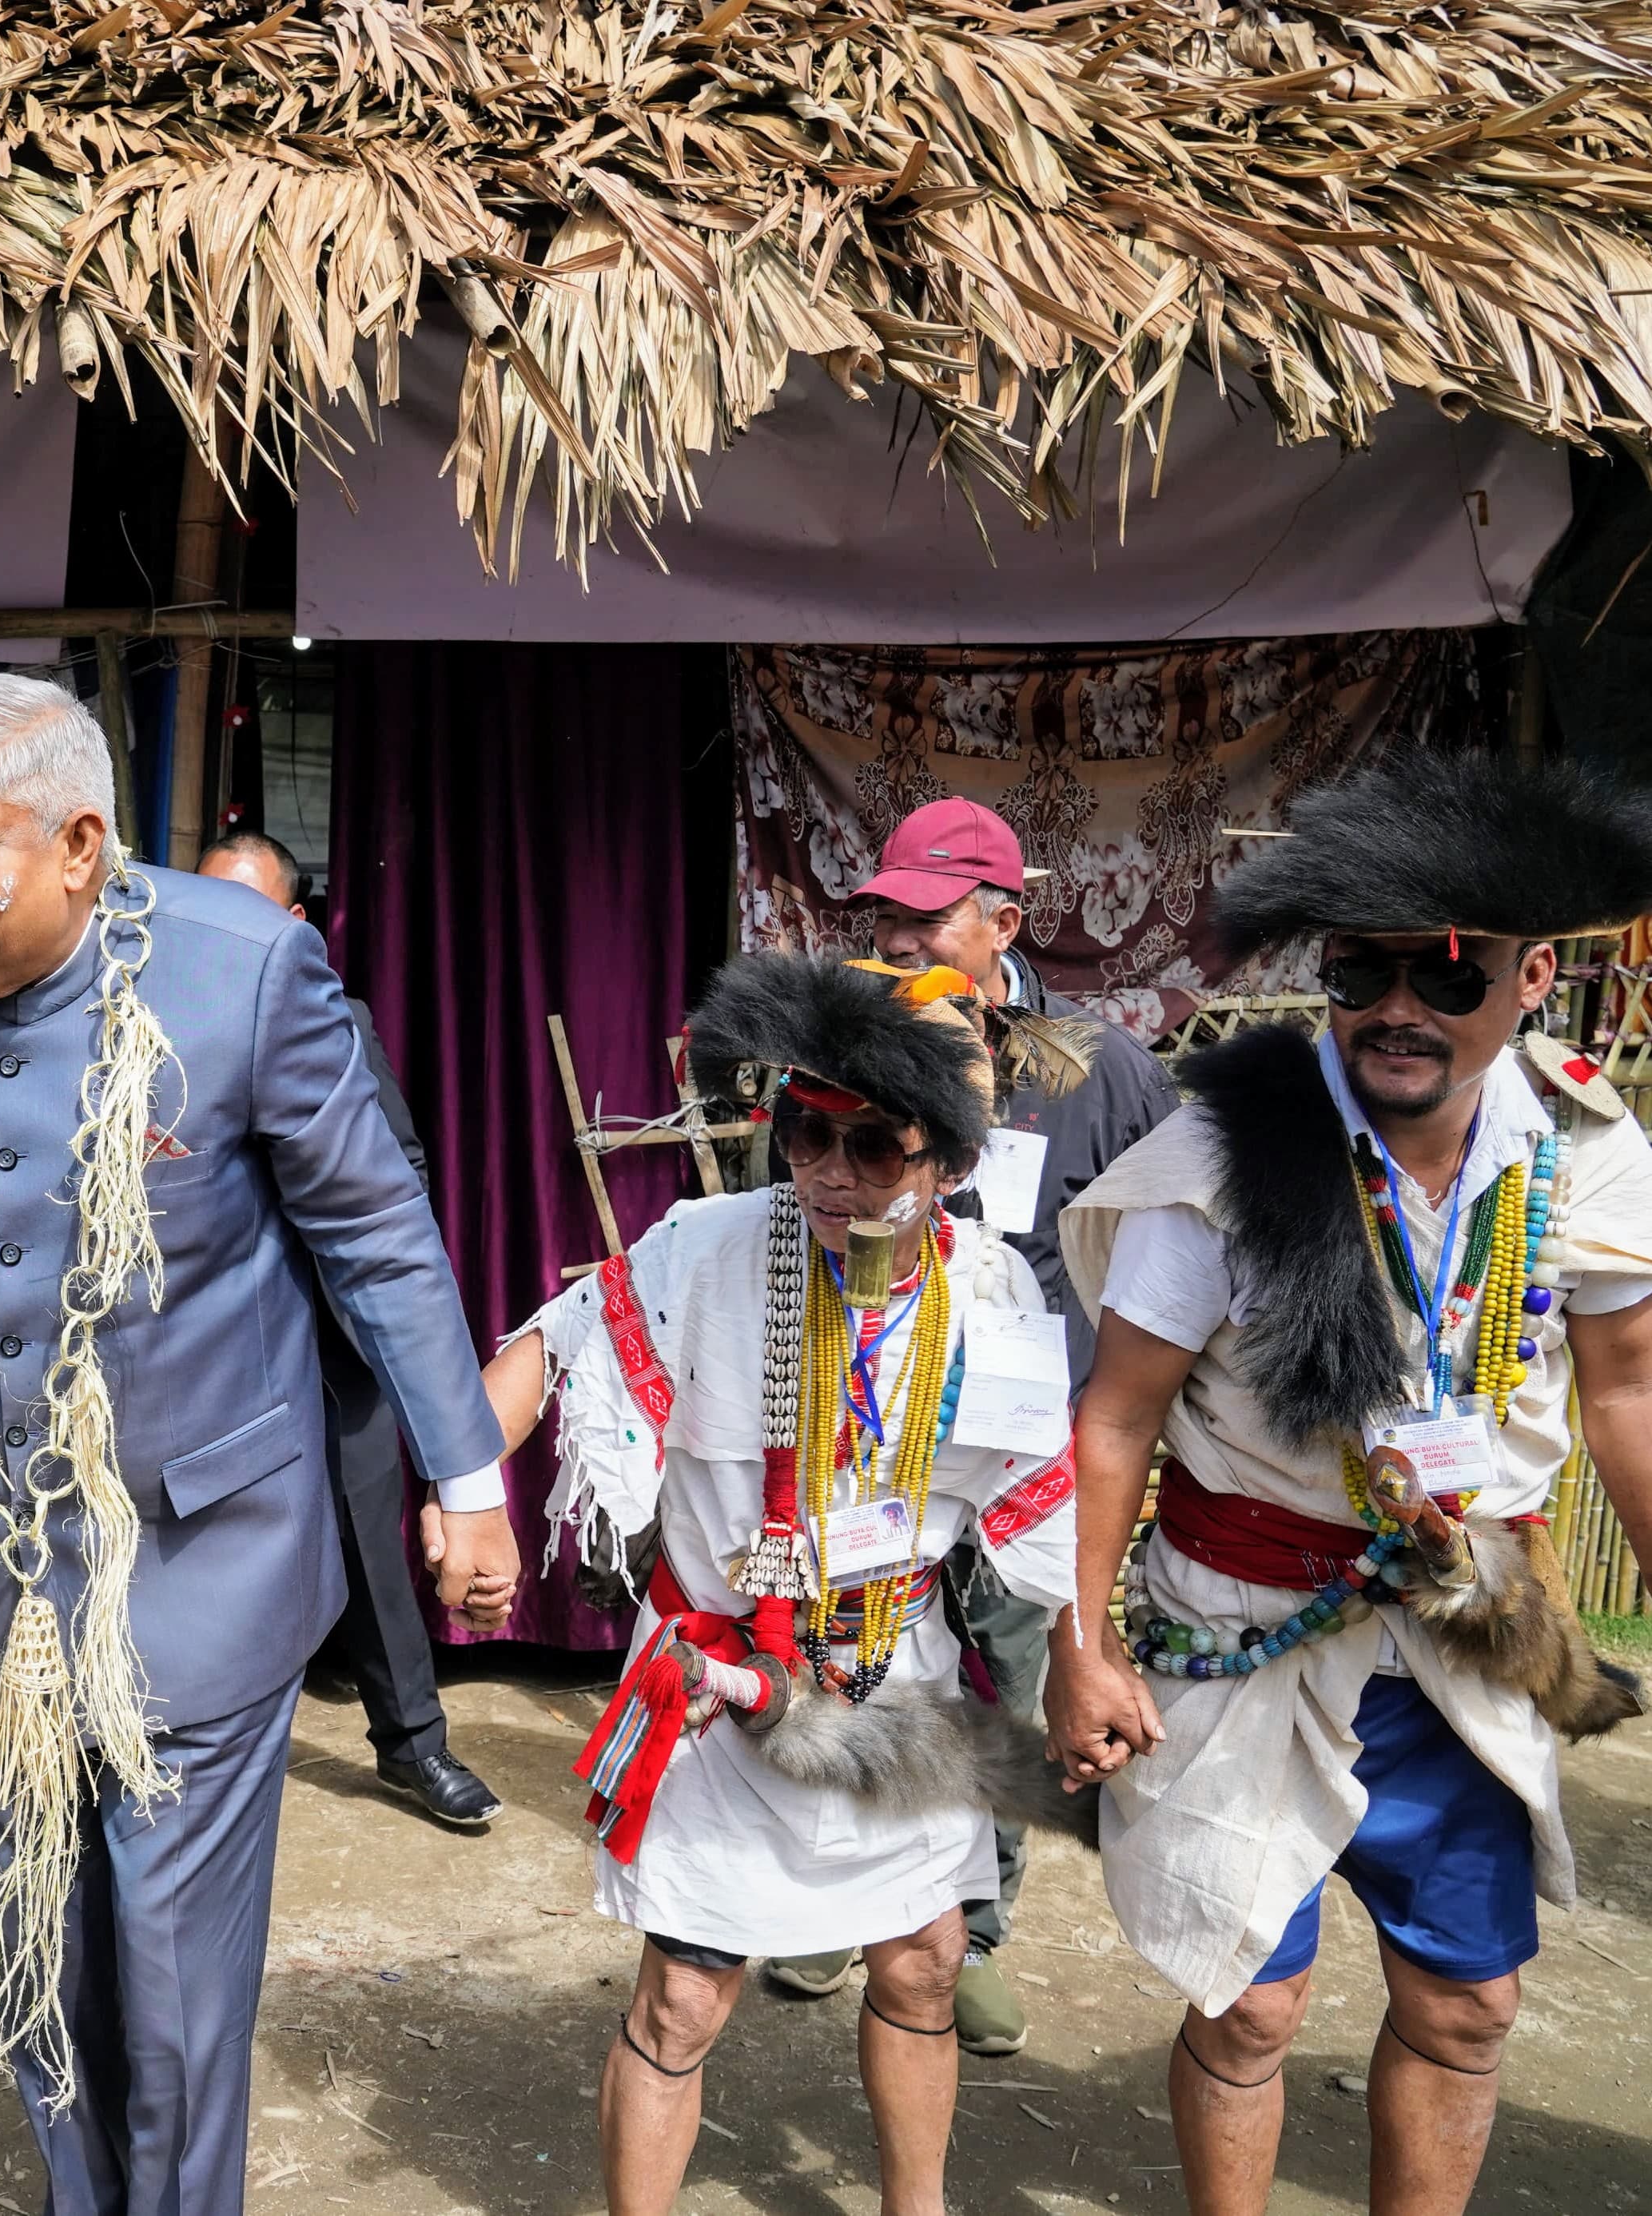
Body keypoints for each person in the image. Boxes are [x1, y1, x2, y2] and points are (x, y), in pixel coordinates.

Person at [0, 673, 520, 2216]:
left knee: (174, 1970)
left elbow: (379, 1239)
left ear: (78, 843)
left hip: (200, 1551)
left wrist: (468, 1481)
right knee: (42, 1937)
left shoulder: (242, 971)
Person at [1053, 754, 1652, 2216]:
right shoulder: (1217, 1153)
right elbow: (1116, 1418)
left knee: (1467, 2004)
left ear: (1530, 975)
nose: (1399, 1006)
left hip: (1468, 1621)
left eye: (1445, 971)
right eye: (1360, 968)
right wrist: (1083, 1642)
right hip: (1238, 1618)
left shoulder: (1580, 1150)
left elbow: (1627, 1388)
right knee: (1246, 2005)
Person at [484, 951, 1091, 2216]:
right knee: (686, 1988)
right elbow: (556, 1344)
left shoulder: (987, 1296)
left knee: (924, 1963)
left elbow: (1047, 1503)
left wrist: (1089, 1661)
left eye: (873, 1144)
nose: (825, 1169)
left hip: (887, 1676)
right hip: (714, 1684)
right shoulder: (703, 1248)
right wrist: (461, 1492)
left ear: (947, 1164)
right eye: (803, 1131)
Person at [762, 801, 1176, 2051]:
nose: (891, 933)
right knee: (855, 1650)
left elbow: (1167, 1236)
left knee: (1006, 1668)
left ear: (1004, 920)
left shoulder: (1090, 1066)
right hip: (863, 1418)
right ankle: (847, 1893)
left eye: (923, 912)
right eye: (879, 912)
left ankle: (972, 1920)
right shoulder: (840, 1042)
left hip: (1015, 1442)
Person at [196, 828, 502, 1826]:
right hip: (203, 1351)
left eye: (243, 909)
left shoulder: (336, 1022)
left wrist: (318, 1272)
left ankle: (411, 1746)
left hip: (326, 1341)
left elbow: (398, 1176)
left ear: (290, 925)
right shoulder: (139, 1028)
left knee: (373, 1543)